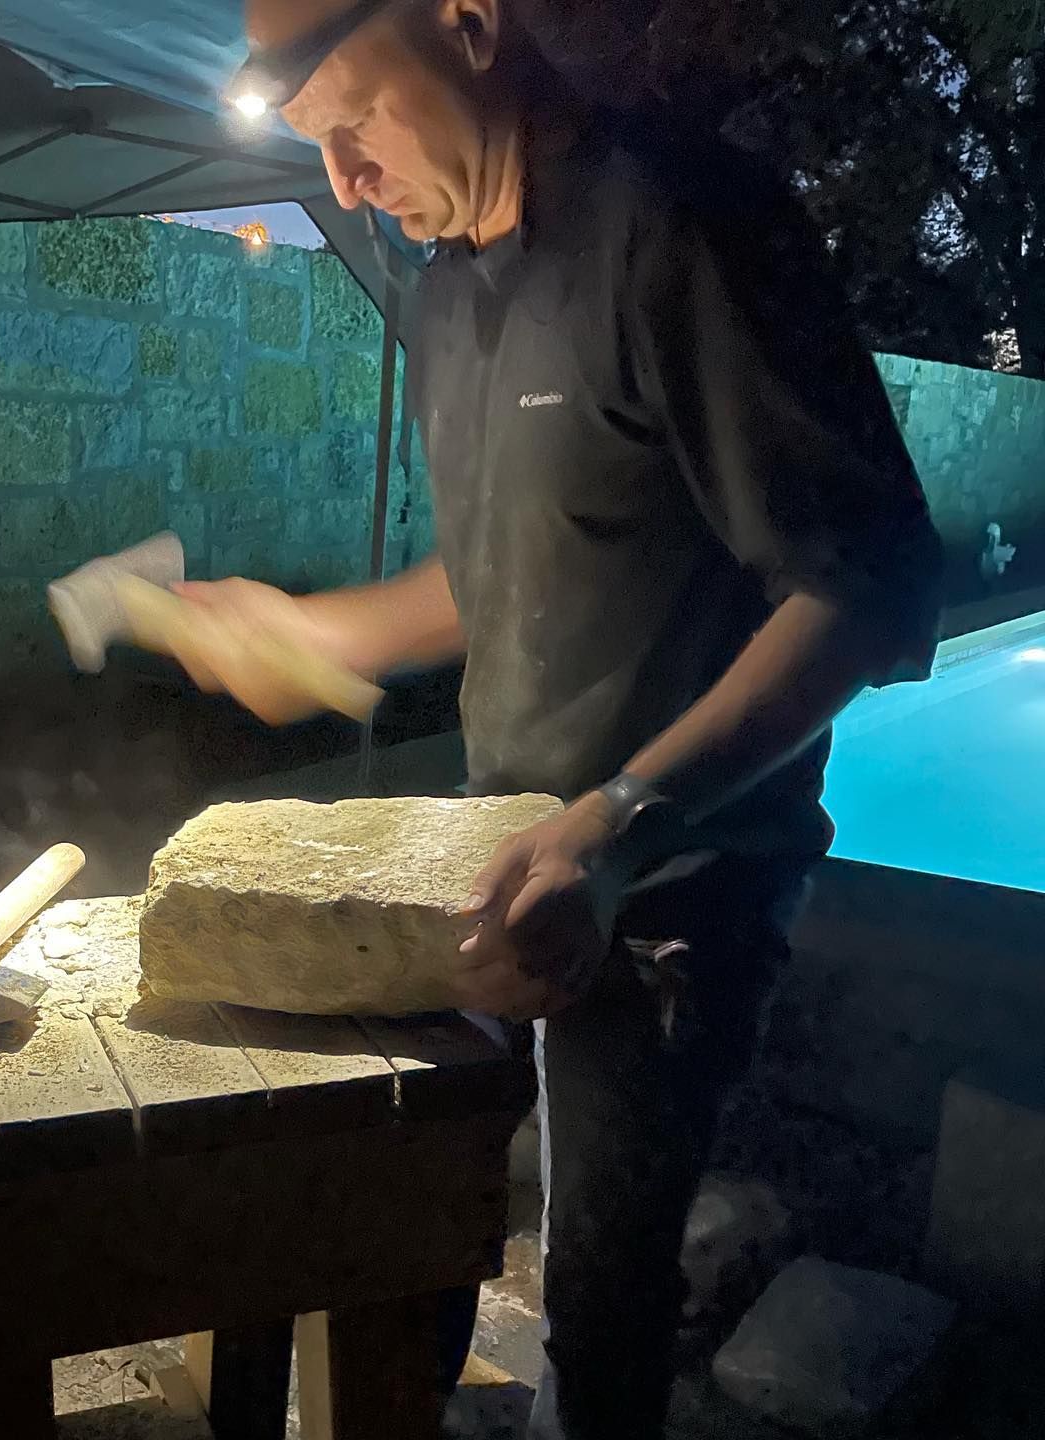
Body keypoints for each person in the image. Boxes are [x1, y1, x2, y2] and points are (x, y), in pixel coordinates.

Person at [161, 1, 945, 1436]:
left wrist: (618, 825)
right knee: (401, 1211)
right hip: (499, 857)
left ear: (465, 24)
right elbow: (518, 553)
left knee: (596, 1292)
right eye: (311, 147)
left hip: (666, 888)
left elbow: (874, 591)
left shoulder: (689, 227)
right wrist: (324, 631)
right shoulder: (454, 284)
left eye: (353, 122)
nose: (342, 182)